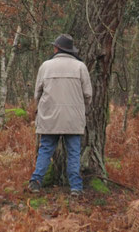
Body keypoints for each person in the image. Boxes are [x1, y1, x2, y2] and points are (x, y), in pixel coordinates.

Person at [28, 34, 92, 196]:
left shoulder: (45, 66)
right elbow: (88, 94)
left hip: (49, 117)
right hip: (73, 118)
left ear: (57, 48)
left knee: (46, 150)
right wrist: (80, 108)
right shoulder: (80, 67)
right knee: (73, 152)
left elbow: (37, 93)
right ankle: (76, 187)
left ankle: (35, 182)